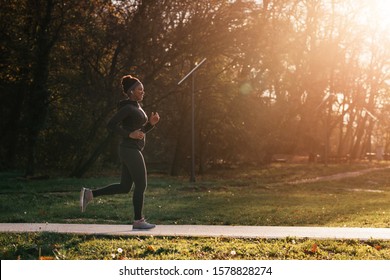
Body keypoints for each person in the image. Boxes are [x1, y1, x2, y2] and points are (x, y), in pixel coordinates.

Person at [80, 74, 160, 230]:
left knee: (125, 187)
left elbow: (139, 132)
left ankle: (89, 194)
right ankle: (138, 220)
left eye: (143, 89)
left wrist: (150, 124)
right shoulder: (128, 108)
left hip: (132, 148)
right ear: (131, 91)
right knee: (141, 184)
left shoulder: (137, 107)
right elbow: (111, 125)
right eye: (139, 89)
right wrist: (128, 134)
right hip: (129, 149)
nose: (142, 92)